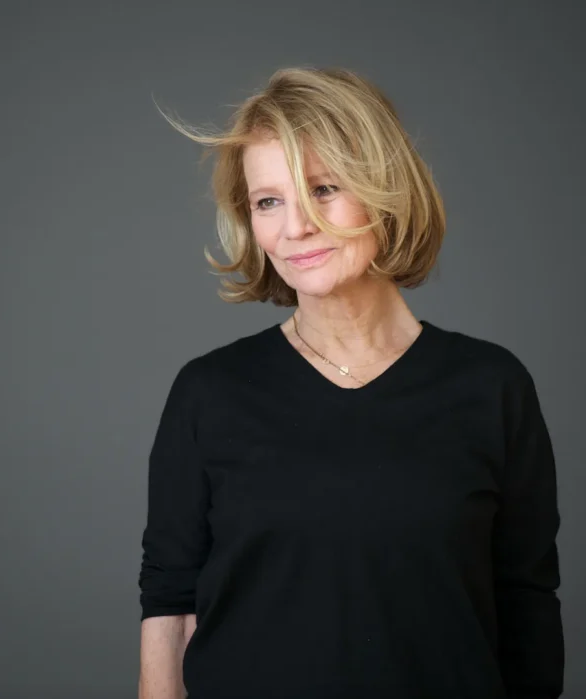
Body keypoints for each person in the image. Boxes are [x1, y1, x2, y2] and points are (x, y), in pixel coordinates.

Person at [137, 67, 564, 699]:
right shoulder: (209, 393)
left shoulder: (492, 387)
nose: (296, 227)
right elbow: (171, 605)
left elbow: (526, 604)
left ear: (386, 190)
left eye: (324, 188)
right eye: (268, 201)